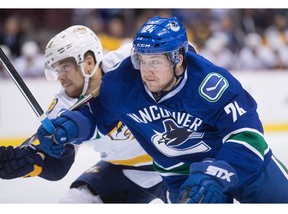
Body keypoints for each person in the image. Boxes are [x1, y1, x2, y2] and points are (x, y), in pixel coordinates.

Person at [36, 16, 288, 203]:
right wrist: (69, 127)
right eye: (142, 60)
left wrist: (215, 174)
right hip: (181, 173)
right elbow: (97, 116)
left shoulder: (210, 83)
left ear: (178, 58)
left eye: (155, 61)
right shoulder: (123, 82)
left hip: (242, 165)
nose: (146, 70)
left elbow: (248, 136)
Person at [0, 25, 167, 203]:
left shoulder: (129, 62)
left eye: (65, 67)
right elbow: (57, 165)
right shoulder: (62, 107)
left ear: (88, 63)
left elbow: (182, 57)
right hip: (122, 171)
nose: (60, 77)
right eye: (57, 70)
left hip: (178, 160)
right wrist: (26, 164)